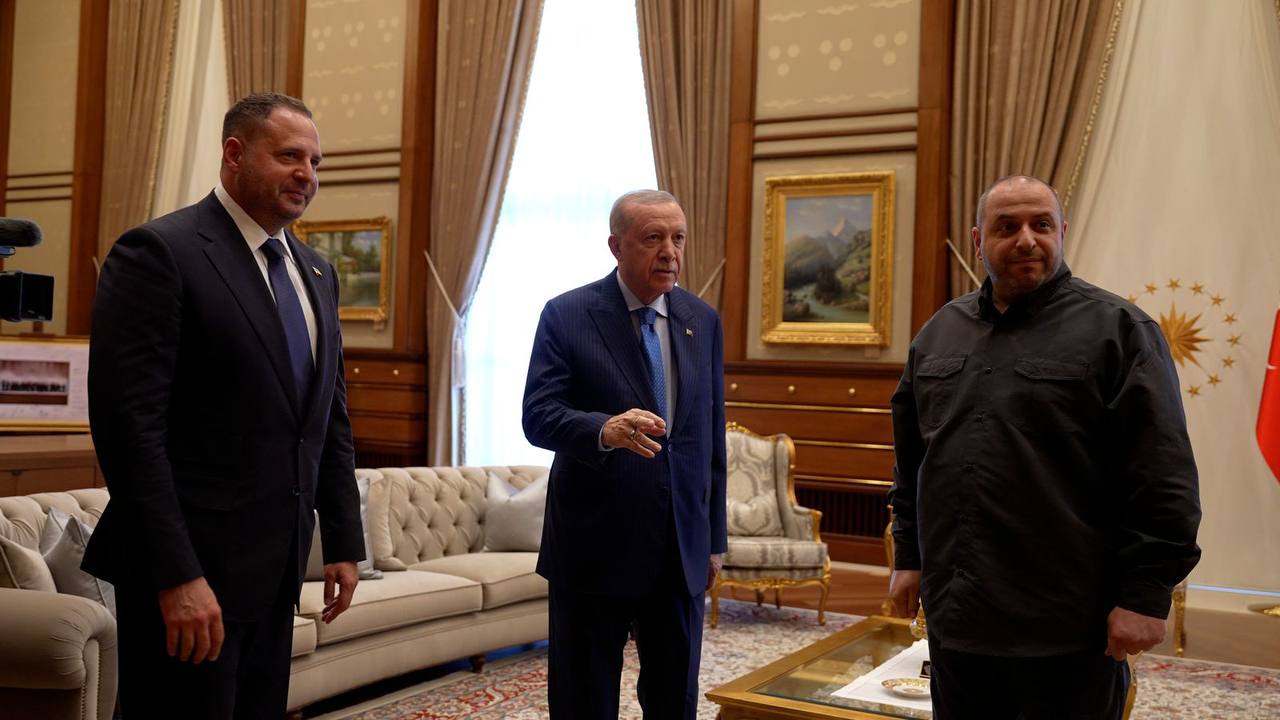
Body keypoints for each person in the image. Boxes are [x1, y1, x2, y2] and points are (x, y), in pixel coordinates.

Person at [83, 93, 365, 719]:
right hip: (189, 577)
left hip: (276, 573)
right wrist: (176, 575)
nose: (307, 175)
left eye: (315, 162)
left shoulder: (316, 272)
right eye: (289, 156)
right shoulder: (160, 253)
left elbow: (328, 419)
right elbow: (131, 432)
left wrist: (344, 540)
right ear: (234, 154)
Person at [886, 175, 1201, 719]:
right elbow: (913, 462)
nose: (1026, 239)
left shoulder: (1121, 330)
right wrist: (909, 558)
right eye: (1007, 227)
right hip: (959, 618)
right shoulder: (939, 332)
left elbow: (1162, 472)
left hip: (1068, 623)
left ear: (1062, 232)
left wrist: (1145, 595)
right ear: (979, 241)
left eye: (1041, 224)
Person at [522, 189, 727, 718]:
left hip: (679, 549)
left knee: (674, 702)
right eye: (653, 238)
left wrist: (713, 539)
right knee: (584, 703)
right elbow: (538, 415)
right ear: (616, 245)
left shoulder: (702, 319)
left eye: (678, 238)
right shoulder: (567, 314)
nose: (670, 252)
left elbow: (710, 438)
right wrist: (603, 429)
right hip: (594, 549)